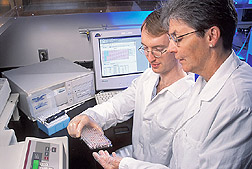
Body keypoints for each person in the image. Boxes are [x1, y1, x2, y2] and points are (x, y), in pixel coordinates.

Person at [67, 9, 195, 169]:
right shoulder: (149, 77)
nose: (149, 57)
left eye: (157, 49)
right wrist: (90, 116)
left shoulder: (191, 99)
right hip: (133, 156)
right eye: (145, 48)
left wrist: (125, 166)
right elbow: (116, 105)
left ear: (176, 44)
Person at [159, 0, 252, 168]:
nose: (171, 49)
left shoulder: (237, 102)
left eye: (177, 38)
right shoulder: (204, 80)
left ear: (211, 36)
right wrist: (126, 164)